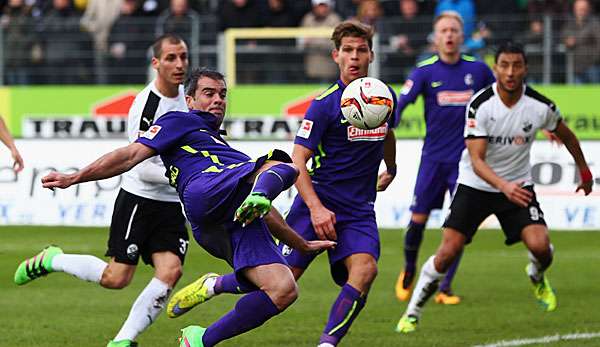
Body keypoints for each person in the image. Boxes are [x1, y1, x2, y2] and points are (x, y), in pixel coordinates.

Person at [41, 67, 336, 347]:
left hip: (230, 212)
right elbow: (130, 155)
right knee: (285, 164)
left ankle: (199, 336)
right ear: (190, 99)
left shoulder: (229, 152)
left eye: (222, 94)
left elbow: (269, 213)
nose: (218, 99)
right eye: (209, 93)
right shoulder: (178, 120)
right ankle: (255, 199)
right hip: (203, 191)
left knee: (283, 289)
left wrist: (301, 244)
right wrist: (74, 177)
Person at [166, 21, 398, 347]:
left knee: (365, 271)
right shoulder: (324, 105)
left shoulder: (384, 98)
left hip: (359, 209)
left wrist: (392, 166)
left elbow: (388, 132)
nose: (354, 57)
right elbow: (297, 160)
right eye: (348, 50)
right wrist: (316, 209)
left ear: (371, 54)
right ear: (336, 55)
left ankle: (326, 344)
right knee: (278, 282)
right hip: (316, 204)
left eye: (361, 50)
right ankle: (214, 291)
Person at [395, 42, 594, 334]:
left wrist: (585, 172)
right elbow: (476, 160)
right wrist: (504, 187)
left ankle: (536, 276)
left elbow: (568, 136)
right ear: (496, 68)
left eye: (517, 65)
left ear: (526, 68)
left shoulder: (541, 106)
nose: (511, 72)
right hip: (476, 185)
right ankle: (412, 313)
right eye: (505, 65)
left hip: (518, 185)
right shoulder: (480, 104)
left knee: (542, 248)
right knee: (448, 250)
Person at [14, 34, 190, 347]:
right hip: (140, 199)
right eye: (171, 58)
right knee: (116, 278)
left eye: (183, 57)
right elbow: (140, 164)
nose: (179, 64)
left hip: (170, 204)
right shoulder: (148, 105)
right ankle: (54, 259)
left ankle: (122, 341)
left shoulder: (189, 99)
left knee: (171, 272)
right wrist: (183, 178)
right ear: (156, 63)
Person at [394, 11, 495, 305]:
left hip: (467, 162)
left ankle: (444, 288)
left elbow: (499, 100)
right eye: (444, 31)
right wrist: (386, 128)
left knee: (458, 226)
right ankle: (409, 270)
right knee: (418, 220)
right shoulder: (423, 72)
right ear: (435, 38)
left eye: (454, 30)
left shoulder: (478, 71)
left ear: (462, 37)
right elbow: (401, 105)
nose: (449, 35)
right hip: (433, 160)